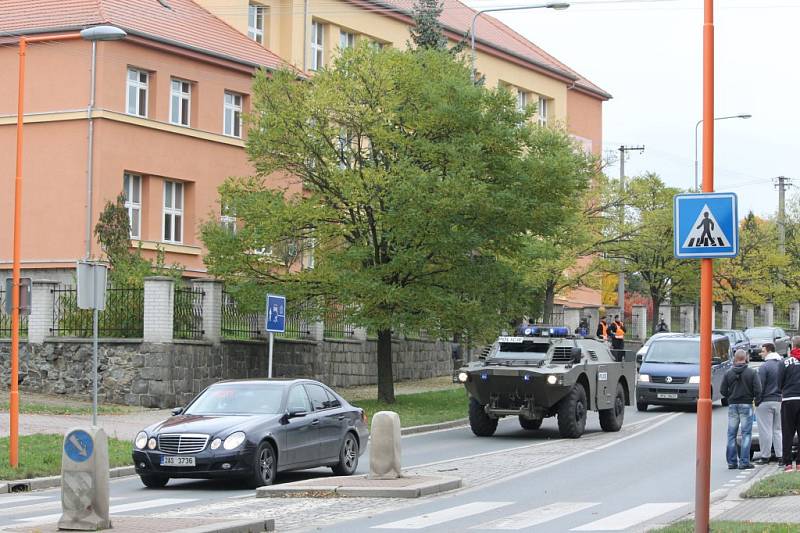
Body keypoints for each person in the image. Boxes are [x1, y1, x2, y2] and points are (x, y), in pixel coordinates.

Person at [721, 349, 762, 470]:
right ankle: (744, 461)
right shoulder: (752, 373)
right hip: (746, 404)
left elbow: (723, 391)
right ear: (746, 358)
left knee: (731, 434)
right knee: (746, 434)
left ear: (735, 358)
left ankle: (731, 462)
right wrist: (754, 399)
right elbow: (758, 390)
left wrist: (731, 396)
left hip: (733, 405)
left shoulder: (728, 373)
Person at [755, 343, 783, 465]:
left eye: (762, 351)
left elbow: (760, 386)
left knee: (765, 430)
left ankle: (765, 456)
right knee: (778, 430)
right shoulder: (782, 365)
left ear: (768, 351)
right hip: (779, 400)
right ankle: (780, 455)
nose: (761, 353)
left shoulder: (764, 367)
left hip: (766, 401)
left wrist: (757, 401)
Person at [779, 336, 800, 472]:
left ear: (792, 346)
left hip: (788, 399)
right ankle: (799, 463)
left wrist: (783, 391)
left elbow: (779, 382)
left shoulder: (785, 362)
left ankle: (787, 463)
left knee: (787, 432)